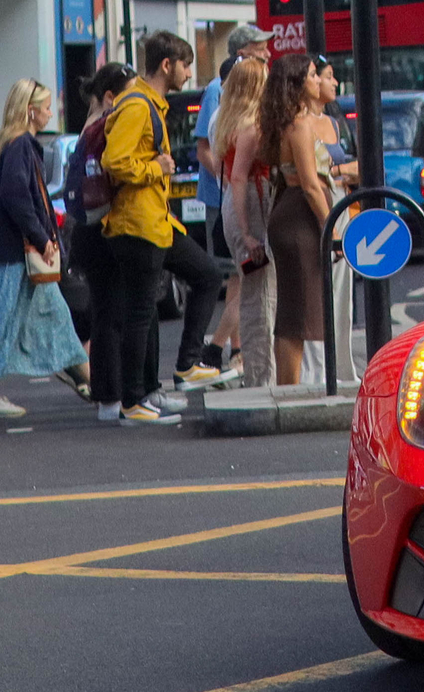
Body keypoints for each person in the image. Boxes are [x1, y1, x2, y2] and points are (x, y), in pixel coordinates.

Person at [101, 33, 223, 422]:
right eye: (186, 65)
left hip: (156, 222)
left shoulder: (150, 104)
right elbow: (114, 161)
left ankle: (172, 375)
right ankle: (134, 400)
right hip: (137, 224)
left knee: (205, 275)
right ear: (167, 65)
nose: (190, 73)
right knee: (141, 312)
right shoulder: (137, 106)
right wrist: (158, 168)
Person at [0, 79, 85, 419]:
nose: (52, 113)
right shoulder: (20, 145)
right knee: (5, 321)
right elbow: (16, 198)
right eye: (47, 107)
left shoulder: (6, 145)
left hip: (10, 252)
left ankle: (88, 378)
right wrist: (42, 239)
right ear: (30, 110)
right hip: (18, 254)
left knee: (55, 316)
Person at [193, 23, 274, 374]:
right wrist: (244, 226)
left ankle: (236, 353)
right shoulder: (234, 108)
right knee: (254, 288)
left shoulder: (229, 110)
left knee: (246, 283)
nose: (267, 55)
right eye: (260, 49)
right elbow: (230, 168)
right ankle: (230, 356)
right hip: (242, 203)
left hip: (234, 202)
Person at [264, 53, 339, 385]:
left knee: (298, 306)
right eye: (311, 74)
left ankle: (289, 385)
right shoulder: (300, 124)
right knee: (297, 310)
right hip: (300, 217)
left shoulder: (290, 121)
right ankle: (288, 387)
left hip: (293, 214)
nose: (317, 80)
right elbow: (310, 185)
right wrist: (331, 228)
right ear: (296, 84)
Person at [64, 63, 135, 413]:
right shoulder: (106, 126)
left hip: (86, 229)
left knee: (104, 312)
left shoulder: (86, 127)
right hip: (103, 227)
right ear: (111, 96)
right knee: (112, 314)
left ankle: (105, 392)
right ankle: (110, 395)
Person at [214, 57, 276, 388]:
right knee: (260, 296)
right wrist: (249, 233)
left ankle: (258, 373)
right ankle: (261, 376)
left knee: (254, 292)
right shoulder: (251, 127)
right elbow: (239, 179)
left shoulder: (226, 122)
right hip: (250, 207)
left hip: (237, 207)